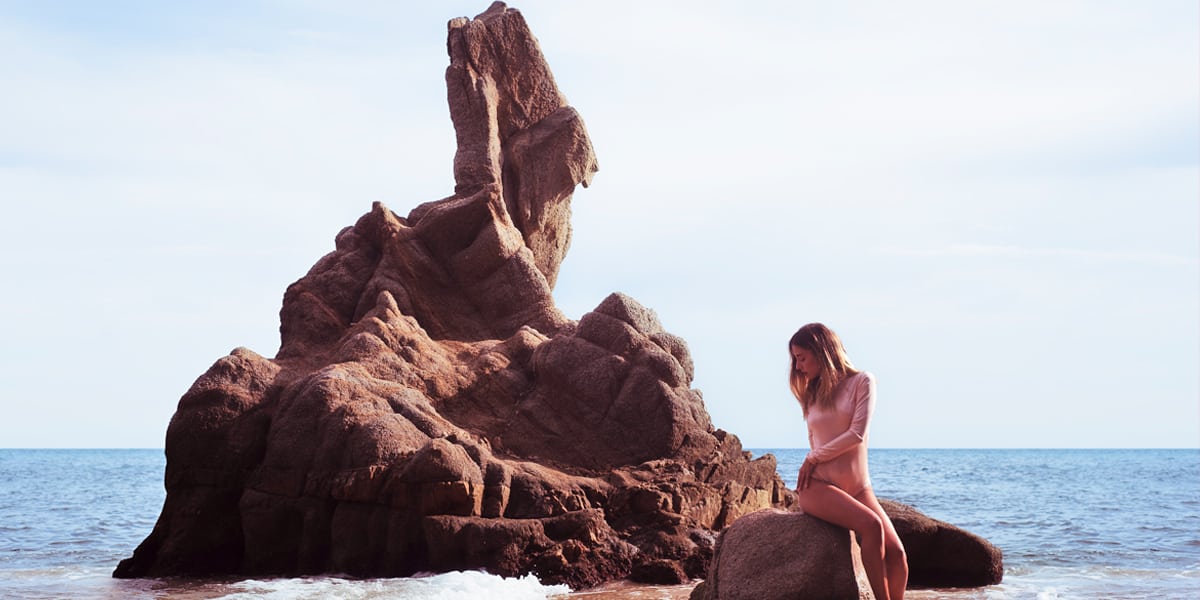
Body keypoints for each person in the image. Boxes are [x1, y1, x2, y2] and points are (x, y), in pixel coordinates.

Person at [789, 323, 908, 600]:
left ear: (823, 351)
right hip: (817, 486)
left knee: (898, 554)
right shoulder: (811, 394)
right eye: (795, 359)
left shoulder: (862, 382)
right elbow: (814, 439)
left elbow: (857, 434)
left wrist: (813, 457)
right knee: (871, 526)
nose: (798, 366)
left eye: (802, 357)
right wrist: (813, 460)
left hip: (858, 487)